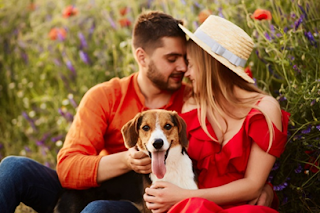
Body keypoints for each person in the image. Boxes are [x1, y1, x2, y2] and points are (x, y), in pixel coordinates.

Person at [0, 11, 274, 213]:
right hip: (88, 190)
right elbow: (67, 169)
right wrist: (128, 159)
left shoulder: (192, 100)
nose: (182, 68)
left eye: (185, 59)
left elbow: (222, 139)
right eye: (172, 59)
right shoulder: (105, 96)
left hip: (133, 201)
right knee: (13, 167)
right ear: (142, 57)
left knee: (98, 210)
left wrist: (258, 185)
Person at [143, 15, 290, 213]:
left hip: (240, 207)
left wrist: (183, 196)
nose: (186, 73)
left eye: (192, 64)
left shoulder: (263, 109)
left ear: (209, 67)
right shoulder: (191, 108)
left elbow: (253, 185)